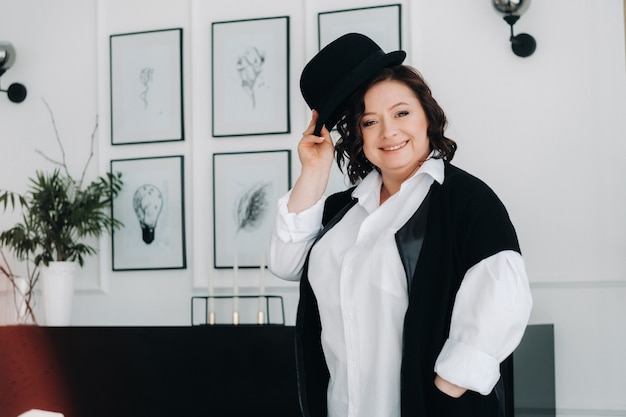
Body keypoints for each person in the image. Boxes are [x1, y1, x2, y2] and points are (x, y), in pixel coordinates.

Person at [267, 33, 533, 417]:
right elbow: (286, 262)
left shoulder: (466, 200)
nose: (388, 131)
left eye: (401, 113)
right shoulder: (341, 211)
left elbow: (502, 293)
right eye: (370, 121)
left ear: (428, 114)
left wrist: (449, 386)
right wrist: (314, 171)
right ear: (358, 135)